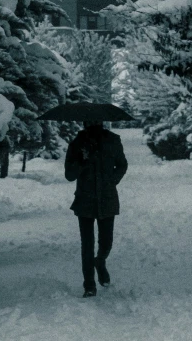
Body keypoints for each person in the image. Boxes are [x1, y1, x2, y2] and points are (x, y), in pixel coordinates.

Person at [65, 120, 128, 297]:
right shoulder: (77, 143)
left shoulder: (113, 141)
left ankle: (100, 261)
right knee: (87, 244)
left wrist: (112, 180)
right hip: (85, 199)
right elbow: (69, 174)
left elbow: (122, 164)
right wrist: (82, 161)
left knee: (106, 241)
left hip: (107, 198)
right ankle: (89, 285)